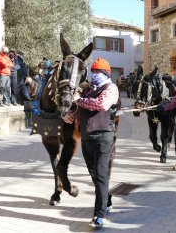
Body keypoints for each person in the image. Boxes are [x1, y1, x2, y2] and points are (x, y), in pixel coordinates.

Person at [63, 58, 119, 229]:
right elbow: (78, 108)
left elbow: (101, 104)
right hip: (87, 137)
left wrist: (78, 100)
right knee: (95, 175)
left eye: (98, 72)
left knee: (101, 175)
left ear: (106, 74)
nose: (95, 75)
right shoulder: (88, 90)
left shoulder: (111, 88)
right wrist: (69, 114)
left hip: (103, 137)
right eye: (93, 72)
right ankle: (107, 201)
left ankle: (99, 215)